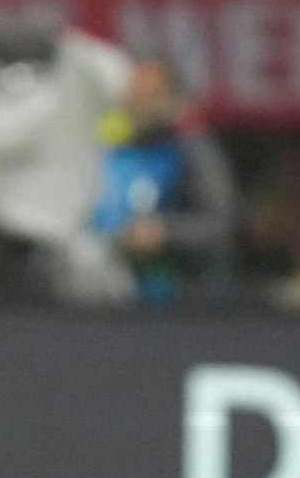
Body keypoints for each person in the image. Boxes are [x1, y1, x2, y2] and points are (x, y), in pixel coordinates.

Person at [92, 59, 239, 305]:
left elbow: (220, 223)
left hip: (172, 295)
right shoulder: (101, 144)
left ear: (171, 100)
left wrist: (164, 232)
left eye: (148, 97)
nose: (136, 105)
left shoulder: (192, 150)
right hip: (97, 291)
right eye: (132, 96)